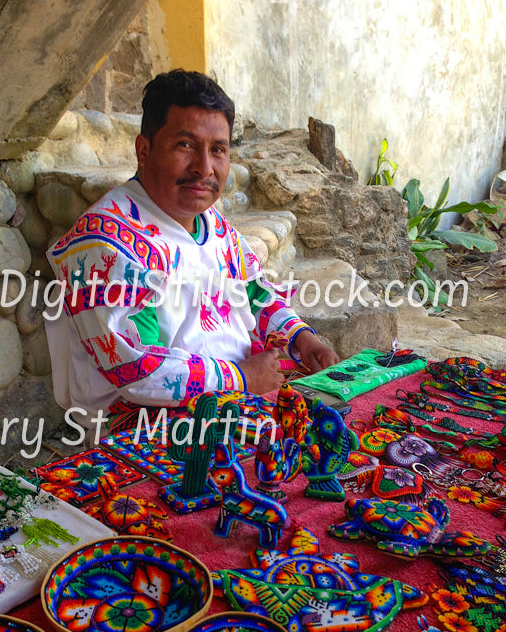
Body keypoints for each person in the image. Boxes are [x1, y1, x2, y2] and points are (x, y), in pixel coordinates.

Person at [45, 69, 338, 430]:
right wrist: (242, 378)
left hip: (236, 395)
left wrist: (302, 339)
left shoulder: (212, 223)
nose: (204, 167)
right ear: (144, 150)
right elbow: (138, 371)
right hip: (147, 423)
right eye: (185, 145)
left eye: (218, 150)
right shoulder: (105, 242)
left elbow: (256, 292)